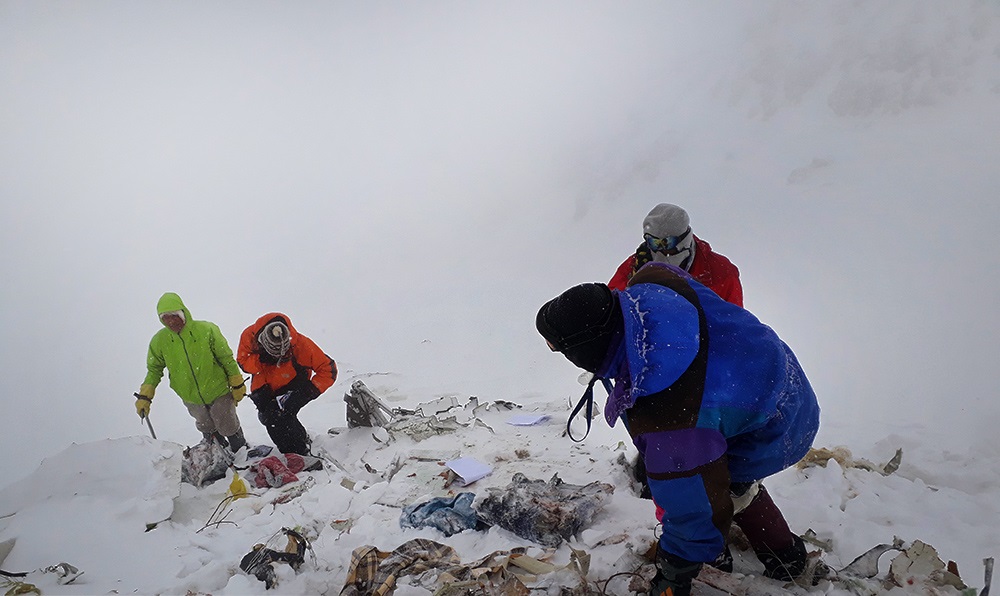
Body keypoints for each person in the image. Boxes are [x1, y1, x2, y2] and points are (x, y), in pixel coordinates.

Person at [536, 263, 820, 596]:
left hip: (776, 425)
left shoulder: (668, 416)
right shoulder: (654, 280)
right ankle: (767, 556)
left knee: (726, 489)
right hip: (774, 371)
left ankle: (781, 560)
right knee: (703, 477)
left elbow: (692, 509)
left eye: (556, 347)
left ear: (584, 348)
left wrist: (674, 572)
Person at [135, 292, 248, 452]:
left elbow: (226, 358)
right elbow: (154, 370)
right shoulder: (159, 341)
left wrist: (237, 383)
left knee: (226, 422)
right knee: (205, 424)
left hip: (218, 388)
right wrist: (145, 396)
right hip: (189, 395)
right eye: (165, 317)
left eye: (174, 315)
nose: (171, 321)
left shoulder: (206, 330)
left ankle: (240, 449)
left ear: (183, 313)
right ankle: (216, 453)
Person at [237, 313, 337, 456]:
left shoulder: (301, 344)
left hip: (294, 382)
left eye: (282, 353)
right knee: (269, 418)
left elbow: (328, 369)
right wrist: (260, 360)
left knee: (285, 415)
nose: (278, 356)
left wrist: (308, 392)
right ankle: (294, 449)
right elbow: (243, 362)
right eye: (274, 352)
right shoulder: (249, 336)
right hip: (264, 384)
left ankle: (299, 453)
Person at [609, 203, 743, 307]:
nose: (660, 251)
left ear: (684, 241)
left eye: (667, 242)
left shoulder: (720, 274)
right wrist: (634, 286)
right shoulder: (634, 267)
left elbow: (736, 325)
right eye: (653, 242)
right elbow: (611, 307)